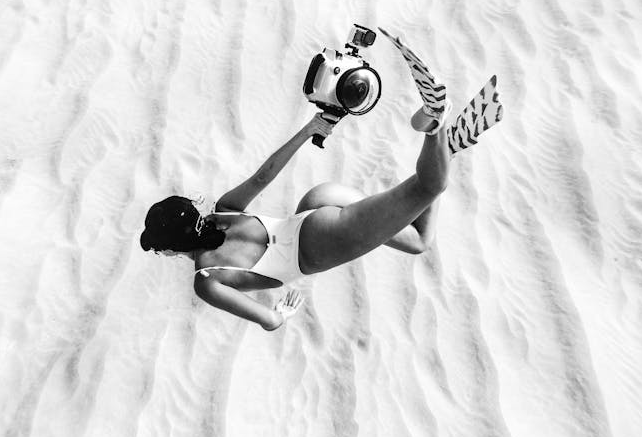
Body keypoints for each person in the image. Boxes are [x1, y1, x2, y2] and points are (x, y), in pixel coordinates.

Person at [140, 103, 452, 332]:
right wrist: (308, 130)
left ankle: (434, 126)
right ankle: (444, 151)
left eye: (159, 247)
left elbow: (270, 320)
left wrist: (281, 313)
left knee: (426, 187)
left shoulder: (206, 281)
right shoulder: (221, 211)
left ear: (170, 248)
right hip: (315, 202)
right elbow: (263, 176)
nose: (162, 252)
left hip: (323, 240)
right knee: (418, 241)